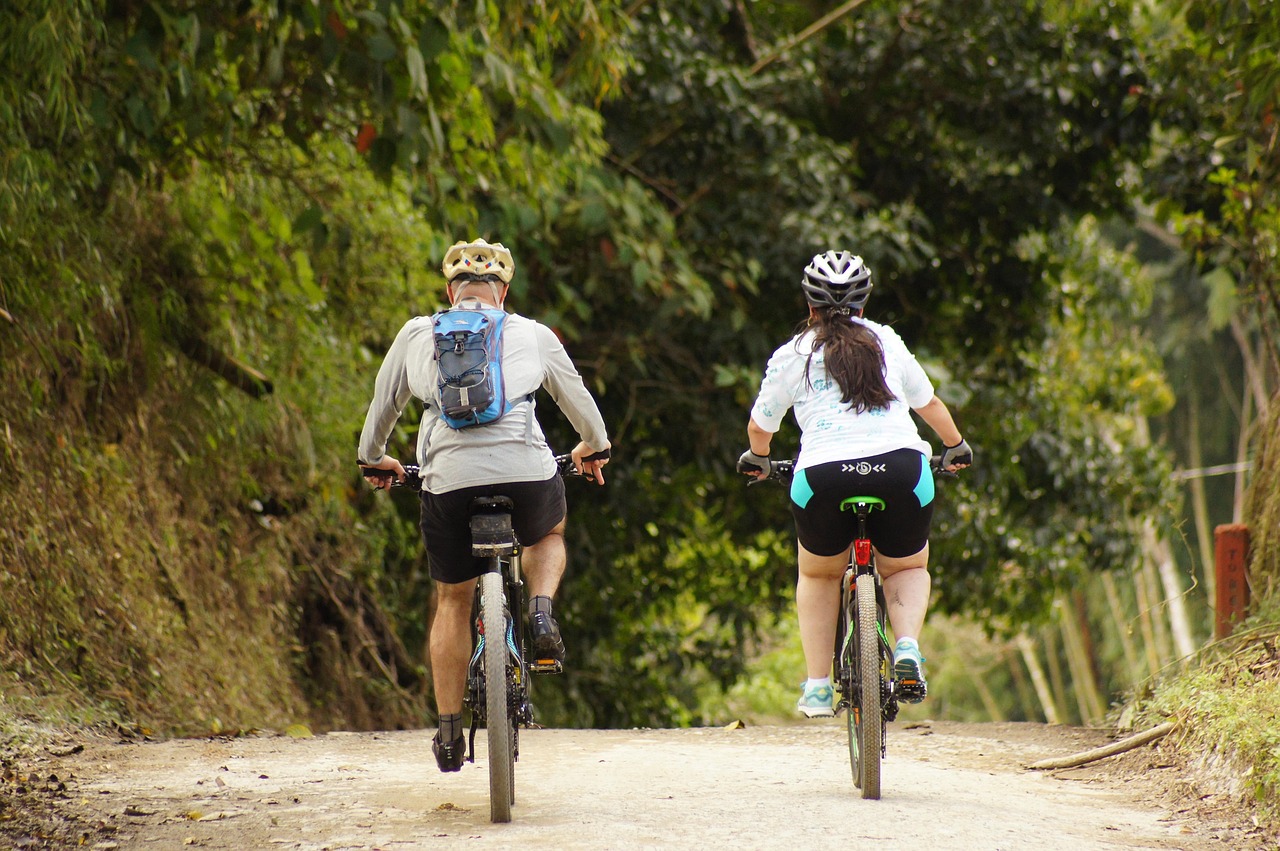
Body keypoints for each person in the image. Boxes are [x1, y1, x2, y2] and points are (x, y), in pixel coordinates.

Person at [357, 238, 611, 771]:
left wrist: (375, 459)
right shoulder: (533, 333)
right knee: (549, 533)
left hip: (447, 482)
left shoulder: (417, 333)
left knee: (453, 600)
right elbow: (580, 403)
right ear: (503, 292)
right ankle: (540, 611)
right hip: (526, 475)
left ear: (451, 291)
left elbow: (382, 409)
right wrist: (594, 446)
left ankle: (450, 731)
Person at [738, 250, 971, 718]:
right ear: (864, 303)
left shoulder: (792, 355)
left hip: (820, 478)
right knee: (905, 567)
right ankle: (907, 647)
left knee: (818, 574)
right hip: (902, 471)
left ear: (810, 306)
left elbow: (760, 428)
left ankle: (818, 687)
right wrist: (956, 445)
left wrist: (759, 458)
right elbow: (929, 406)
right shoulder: (887, 341)